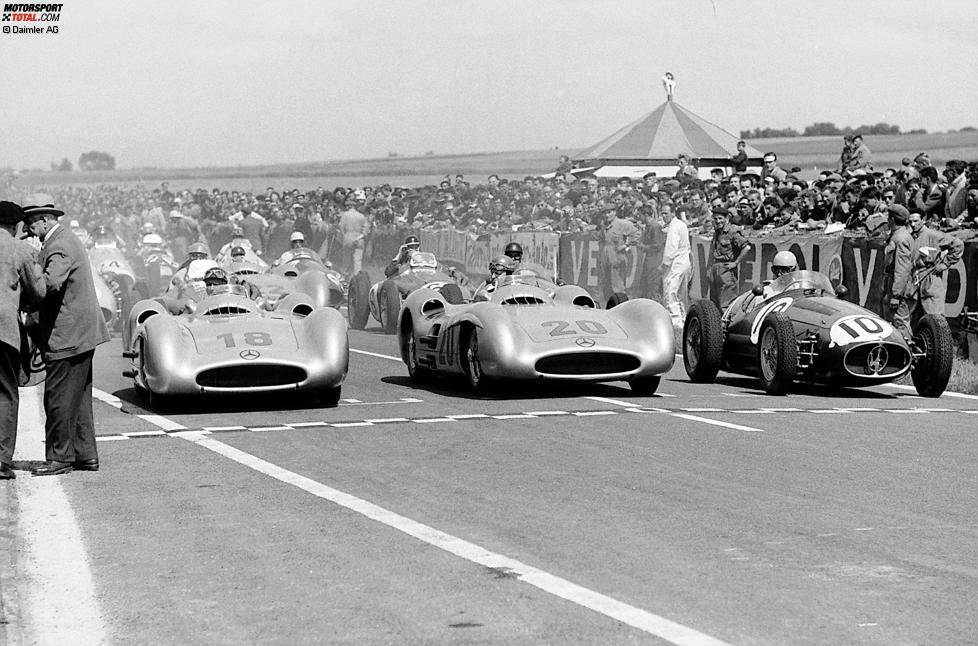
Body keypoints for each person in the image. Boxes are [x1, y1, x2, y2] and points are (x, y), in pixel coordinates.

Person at [22, 194, 110, 476]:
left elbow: (49, 284)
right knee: (79, 398)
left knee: (58, 397)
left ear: (44, 220)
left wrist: (23, 289)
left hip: (67, 335)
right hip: (82, 333)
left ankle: (58, 457)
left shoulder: (58, 246)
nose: (29, 232)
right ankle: (85, 455)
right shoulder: (67, 239)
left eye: (31, 225)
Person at [0, 202, 45, 479]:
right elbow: (38, 291)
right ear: (17, 227)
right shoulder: (20, 250)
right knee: (5, 393)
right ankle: (2, 460)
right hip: (3, 332)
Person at [904, 210, 964, 322]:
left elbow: (958, 245)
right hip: (913, 279)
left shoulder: (933, 234)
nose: (913, 224)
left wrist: (945, 263)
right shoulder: (910, 236)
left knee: (935, 319)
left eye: (916, 221)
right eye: (910, 222)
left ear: (923, 220)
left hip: (930, 277)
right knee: (911, 320)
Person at [707, 208, 751, 309]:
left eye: (720, 218)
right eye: (716, 219)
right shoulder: (717, 232)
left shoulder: (732, 231)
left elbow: (747, 247)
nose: (718, 221)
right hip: (715, 267)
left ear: (726, 218)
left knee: (726, 302)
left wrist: (735, 263)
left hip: (726, 268)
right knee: (714, 302)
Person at [881, 205, 915, 336]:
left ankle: (908, 352)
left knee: (900, 322)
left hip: (897, 290)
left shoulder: (901, 239)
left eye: (889, 217)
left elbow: (902, 269)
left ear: (892, 219)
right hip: (890, 284)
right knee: (891, 322)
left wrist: (896, 295)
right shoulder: (897, 236)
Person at [659, 202, 691, 327]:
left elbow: (671, 248)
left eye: (666, 213)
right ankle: (684, 318)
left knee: (670, 291)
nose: (663, 216)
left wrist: (664, 264)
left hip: (676, 262)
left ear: (673, 213)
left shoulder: (674, 226)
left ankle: (675, 321)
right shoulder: (681, 224)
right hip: (684, 261)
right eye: (662, 213)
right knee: (681, 293)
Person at [338, 194, 369, 275]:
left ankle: (344, 274)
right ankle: (357, 276)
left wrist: (343, 237)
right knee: (358, 260)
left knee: (346, 258)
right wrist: (360, 236)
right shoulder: (361, 216)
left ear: (348, 206)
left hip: (348, 236)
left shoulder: (345, 215)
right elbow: (366, 230)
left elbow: (341, 227)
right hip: (359, 238)